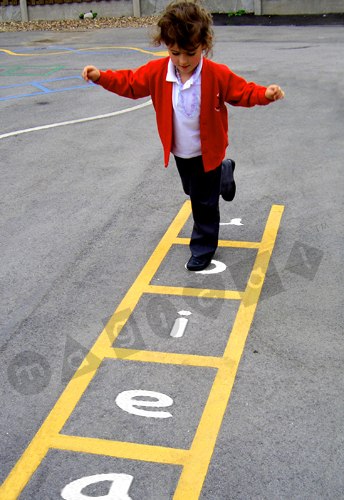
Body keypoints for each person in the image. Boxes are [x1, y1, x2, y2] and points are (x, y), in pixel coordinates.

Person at [82, 0, 284, 271]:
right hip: (181, 151)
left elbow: (242, 92)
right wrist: (100, 77)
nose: (183, 61)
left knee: (203, 203)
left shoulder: (216, 74)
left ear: (204, 45)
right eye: (175, 53)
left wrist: (265, 94)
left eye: (190, 53)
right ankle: (224, 171)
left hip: (207, 149)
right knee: (191, 189)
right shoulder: (158, 72)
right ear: (167, 46)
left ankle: (202, 248)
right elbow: (130, 83)